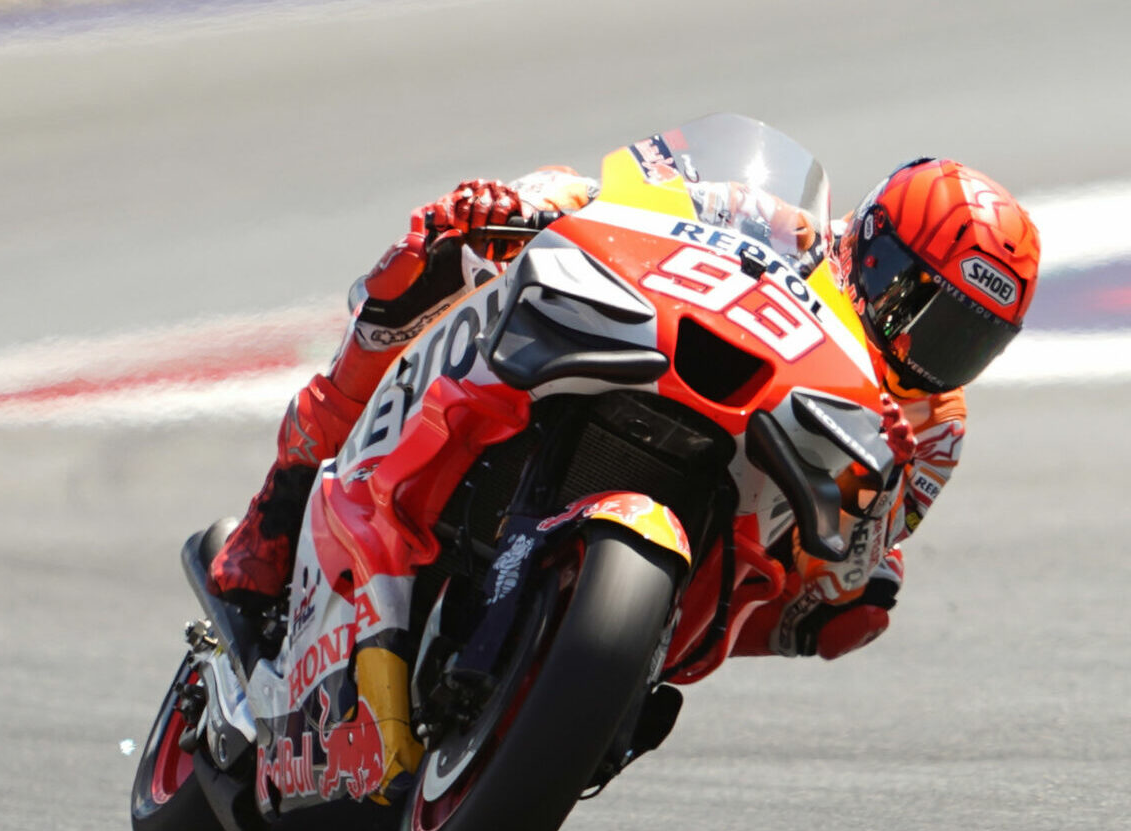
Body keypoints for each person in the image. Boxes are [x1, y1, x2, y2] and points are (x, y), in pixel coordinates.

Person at [208, 156, 1041, 661]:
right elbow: (626, 196)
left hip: (748, 514)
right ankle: (274, 518)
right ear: (873, 245)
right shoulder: (778, 224)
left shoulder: (937, 425)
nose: (934, 353)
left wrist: (876, 494)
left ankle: (601, 681)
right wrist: (524, 205)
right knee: (432, 260)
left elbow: (858, 564)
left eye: (969, 339)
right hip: (650, 365)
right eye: (923, 309)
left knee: (863, 611)